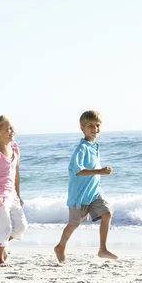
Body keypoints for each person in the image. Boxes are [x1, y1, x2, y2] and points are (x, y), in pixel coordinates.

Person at [54, 110, 117, 263]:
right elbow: (79, 171)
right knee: (74, 223)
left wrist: (99, 174)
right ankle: (60, 247)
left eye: (97, 125)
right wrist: (100, 171)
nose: (95, 129)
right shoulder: (81, 148)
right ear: (83, 128)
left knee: (107, 213)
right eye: (90, 126)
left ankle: (102, 248)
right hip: (79, 195)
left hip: (95, 193)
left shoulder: (95, 146)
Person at [0, 115, 28, 267]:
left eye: (12, 128)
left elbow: (16, 175)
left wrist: (19, 195)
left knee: (21, 226)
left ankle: (1, 244)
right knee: (5, 228)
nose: (11, 131)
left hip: (12, 196)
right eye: (8, 129)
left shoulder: (15, 150)